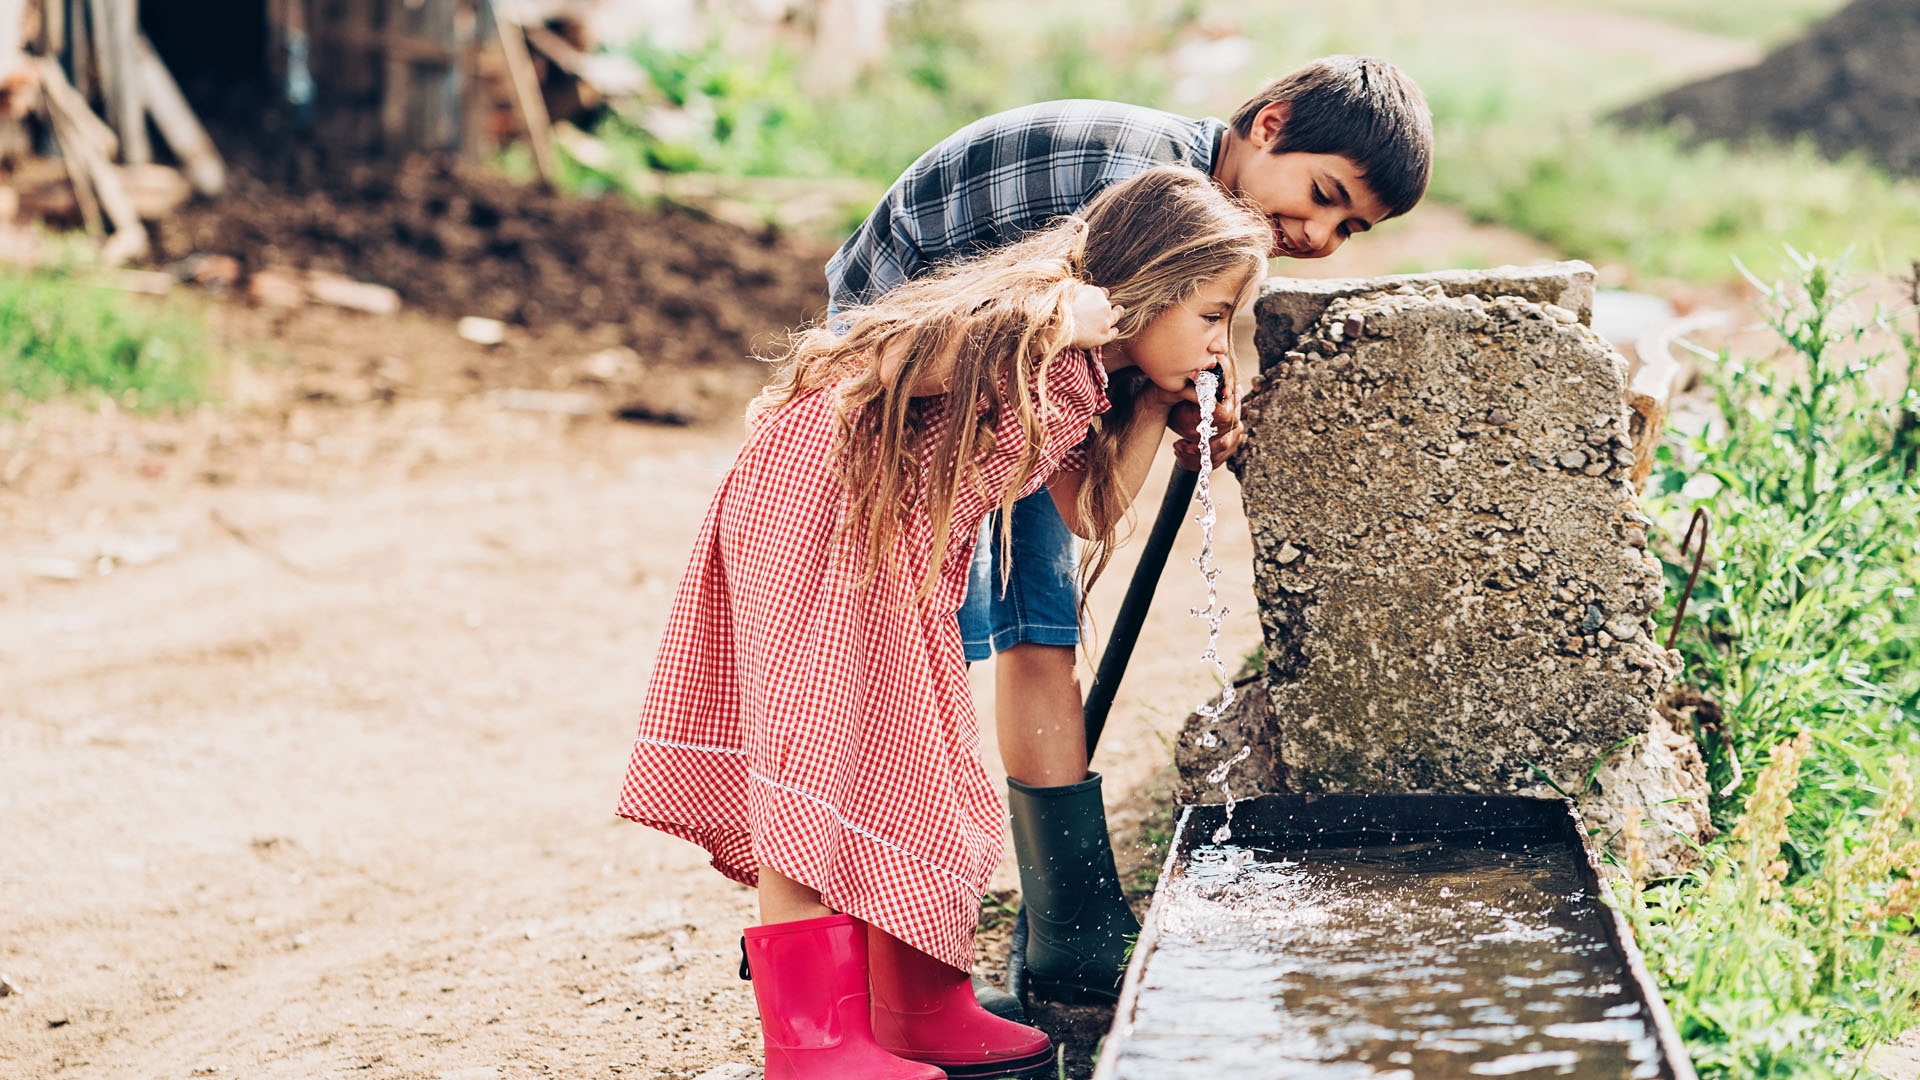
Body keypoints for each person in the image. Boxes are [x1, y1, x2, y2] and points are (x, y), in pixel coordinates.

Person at [617, 166, 1273, 1080]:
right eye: (1210, 316)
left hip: (894, 545)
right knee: (820, 762)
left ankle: (918, 1007)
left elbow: (1088, 512)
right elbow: (891, 360)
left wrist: (1162, 407)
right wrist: (1050, 320)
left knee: (917, 761)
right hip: (820, 519)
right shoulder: (1036, 313)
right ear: (1149, 287)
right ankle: (811, 1052)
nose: (1218, 344)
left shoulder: (1099, 377)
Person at [826, 54, 1434, 1013]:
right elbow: (1087, 373)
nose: (1320, 234)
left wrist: (1195, 395)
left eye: (1349, 228)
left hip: (1027, 349)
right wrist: (1161, 390)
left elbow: (1139, 385)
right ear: (1269, 124)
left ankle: (1070, 924)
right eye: (1323, 196)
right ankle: (889, 917)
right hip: (914, 340)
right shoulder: (1144, 180)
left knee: (1042, 617)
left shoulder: (1226, 221)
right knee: (909, 646)